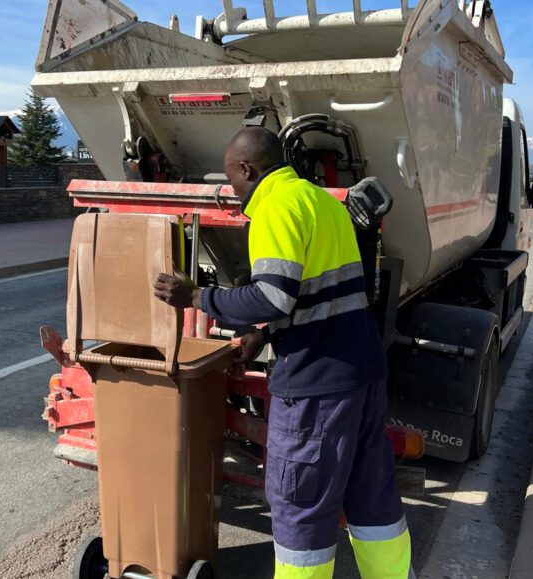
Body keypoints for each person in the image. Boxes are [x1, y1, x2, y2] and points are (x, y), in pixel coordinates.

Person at [153, 127, 413, 579]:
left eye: (231, 175)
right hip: (362, 374)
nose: (230, 187)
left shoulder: (274, 207)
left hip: (316, 387)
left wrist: (198, 298)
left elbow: (273, 297)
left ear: (247, 169)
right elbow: (318, 292)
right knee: (372, 495)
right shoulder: (320, 202)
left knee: (301, 507)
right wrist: (266, 335)